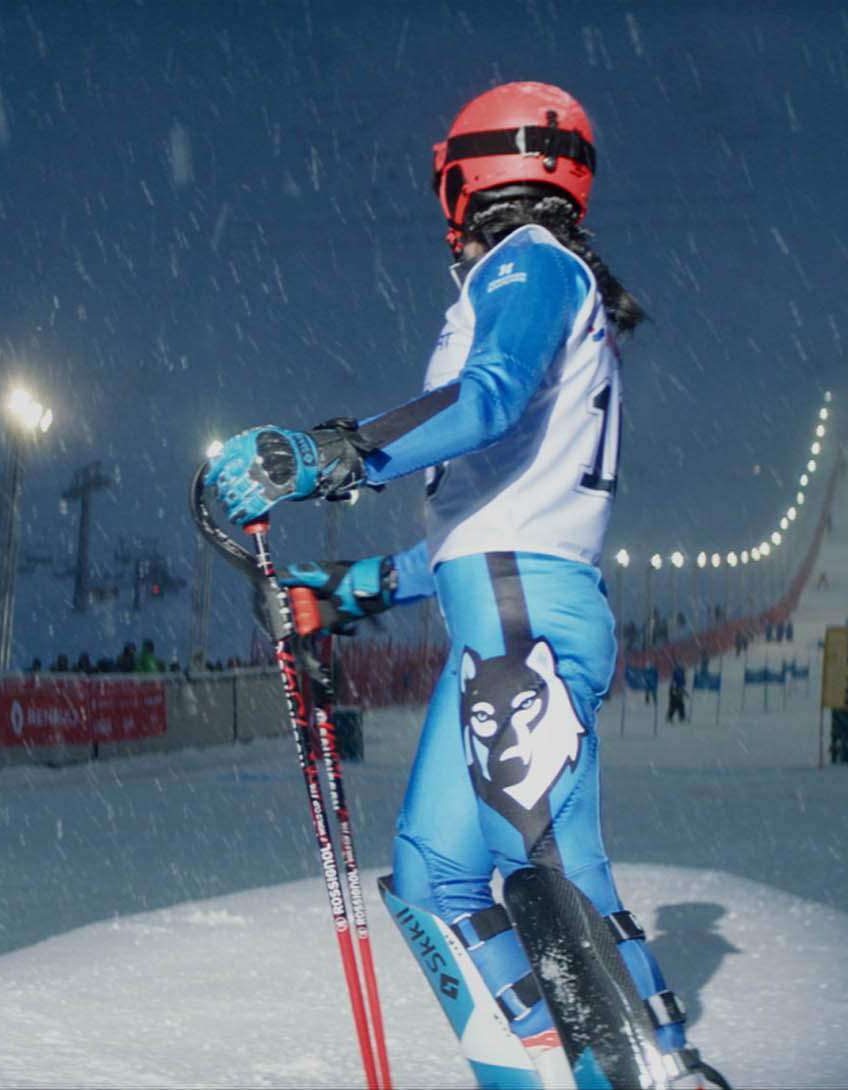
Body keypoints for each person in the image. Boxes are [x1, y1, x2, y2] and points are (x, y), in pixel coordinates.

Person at [203, 81, 725, 1089]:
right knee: (437, 875)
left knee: (553, 871)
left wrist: (330, 453)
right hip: (503, 604)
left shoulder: (531, 264)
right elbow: (483, 525)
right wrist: (343, 588)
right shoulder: (544, 276)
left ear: (467, 175)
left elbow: (486, 404)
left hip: (522, 617)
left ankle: (659, 1072)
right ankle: (537, 1069)